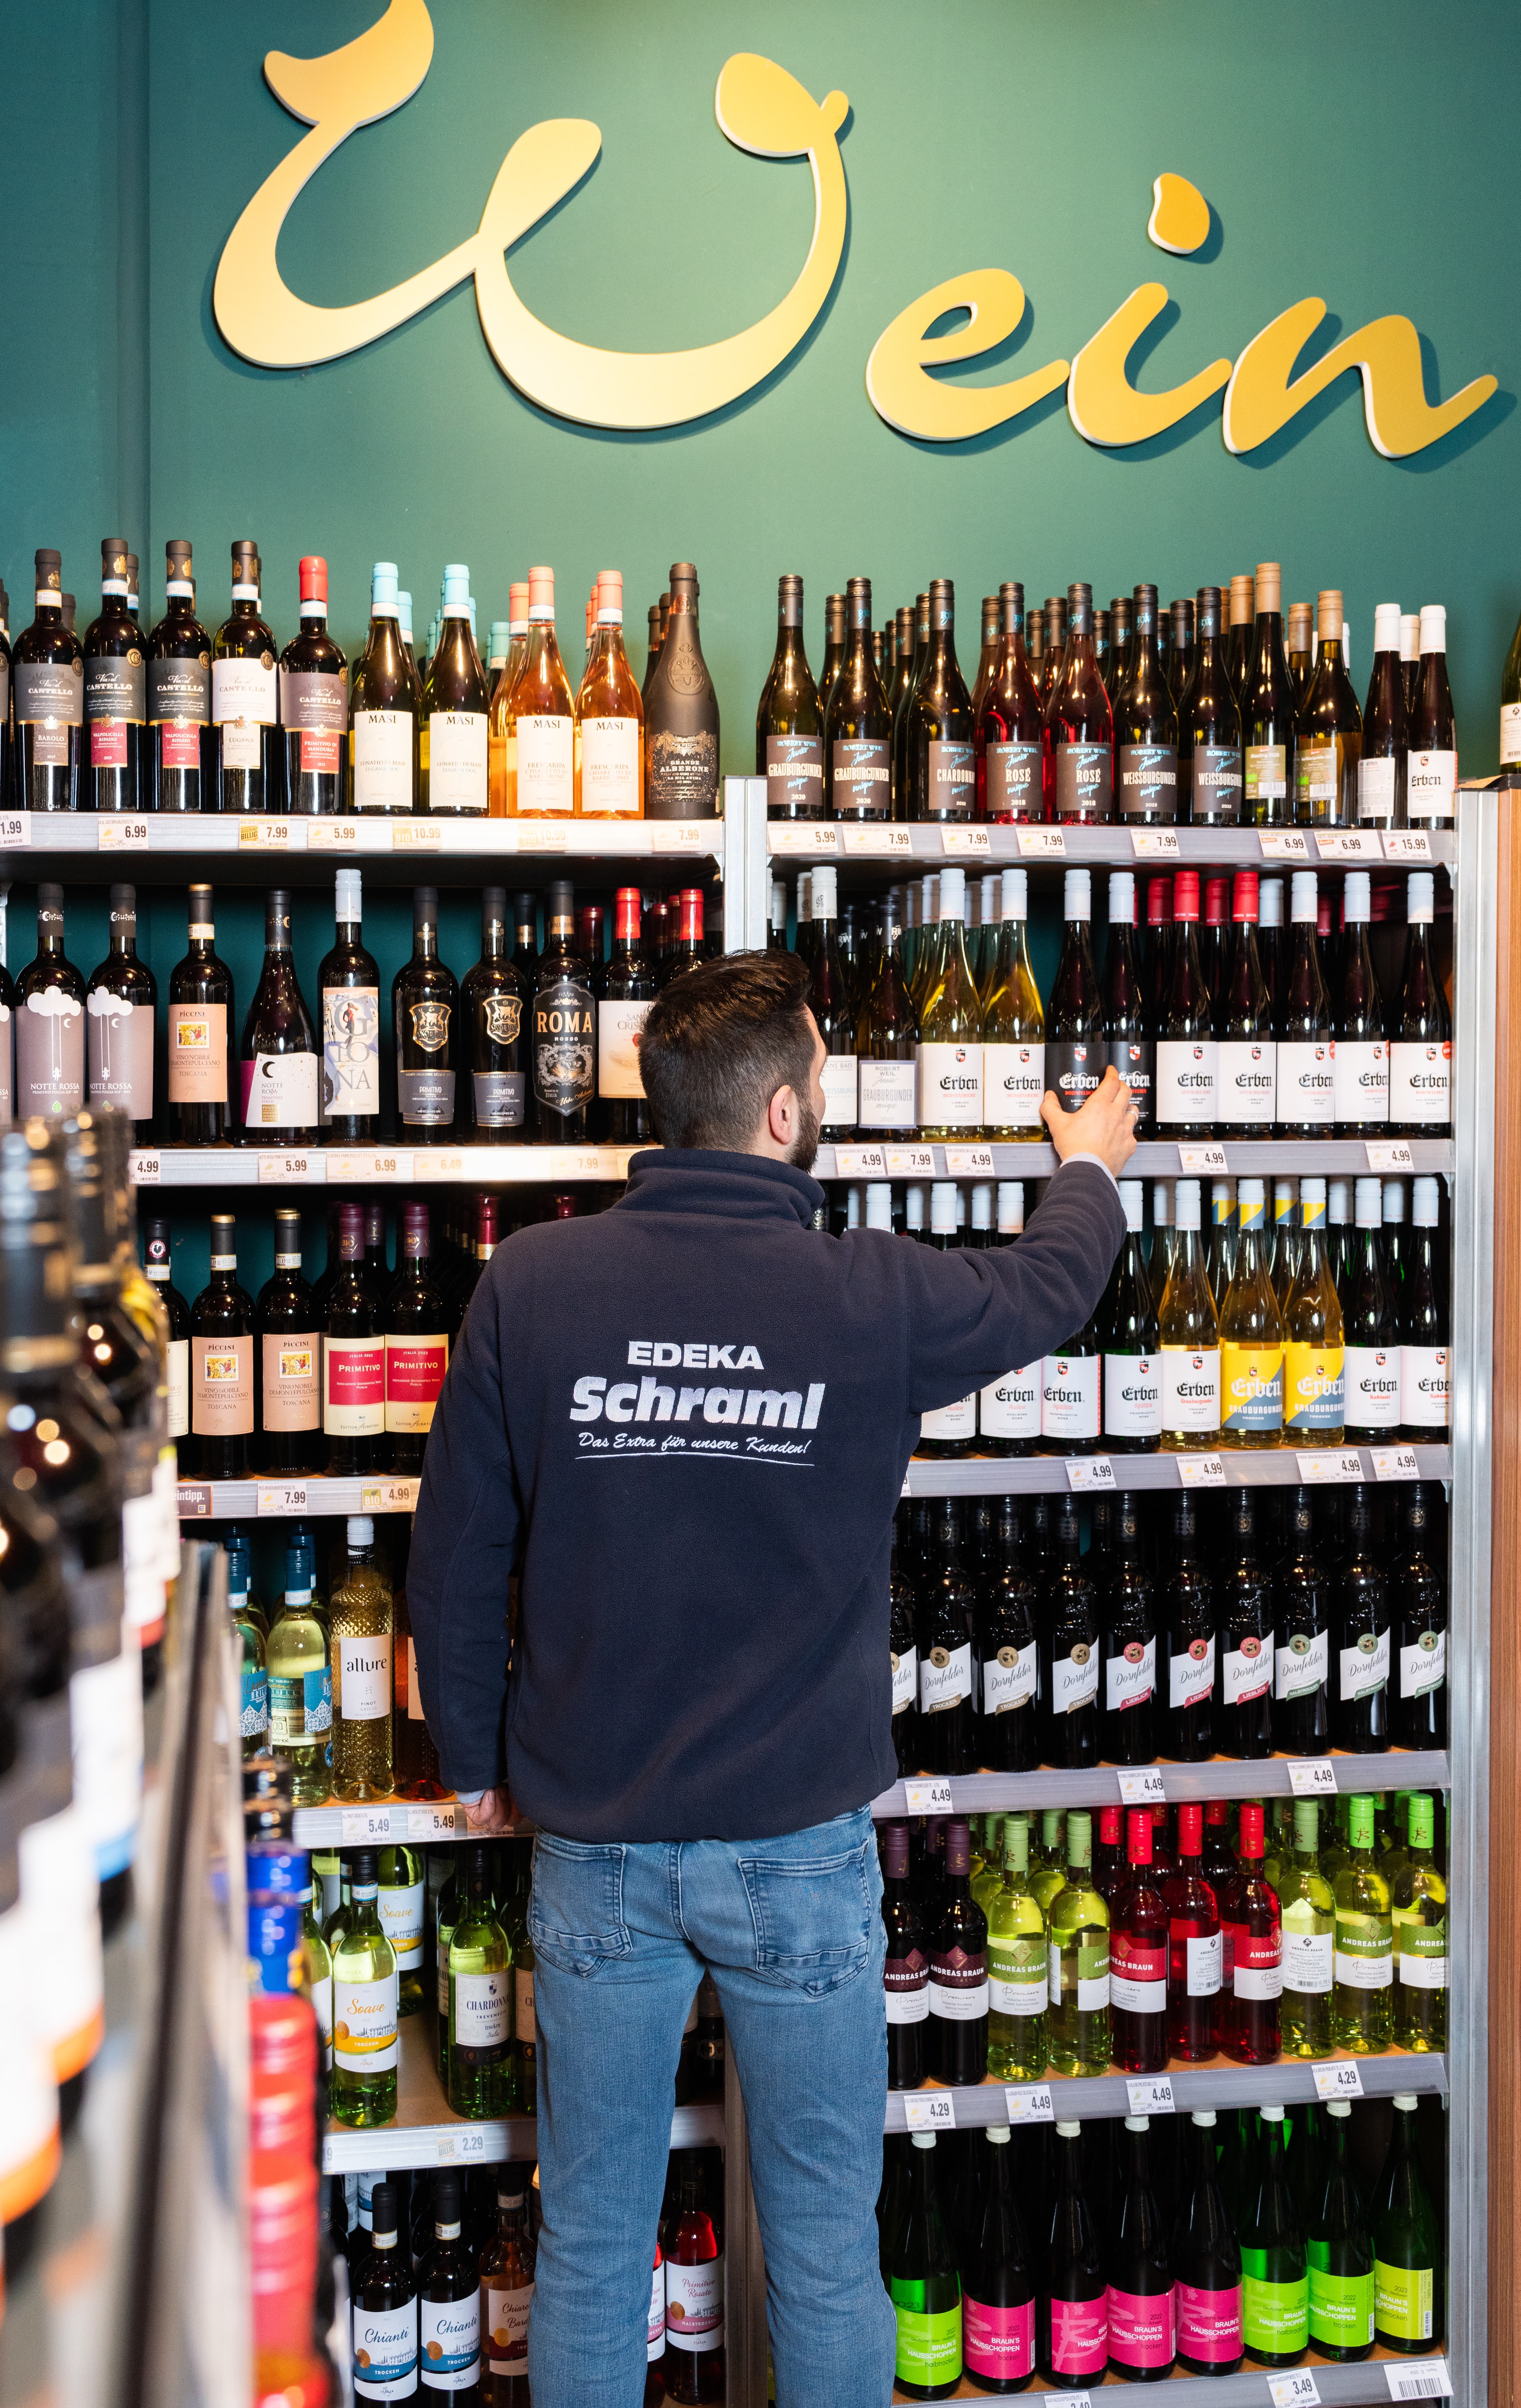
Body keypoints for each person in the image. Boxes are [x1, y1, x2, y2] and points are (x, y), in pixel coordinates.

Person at [407, 947, 1136, 2408]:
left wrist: (474, 1759)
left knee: (594, 2241)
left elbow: (454, 1549)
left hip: (595, 1846)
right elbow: (1051, 1286)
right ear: (789, 1114)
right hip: (797, 1850)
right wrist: (1089, 1163)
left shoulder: (532, 1284)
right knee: (820, 2247)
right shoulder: (861, 1293)